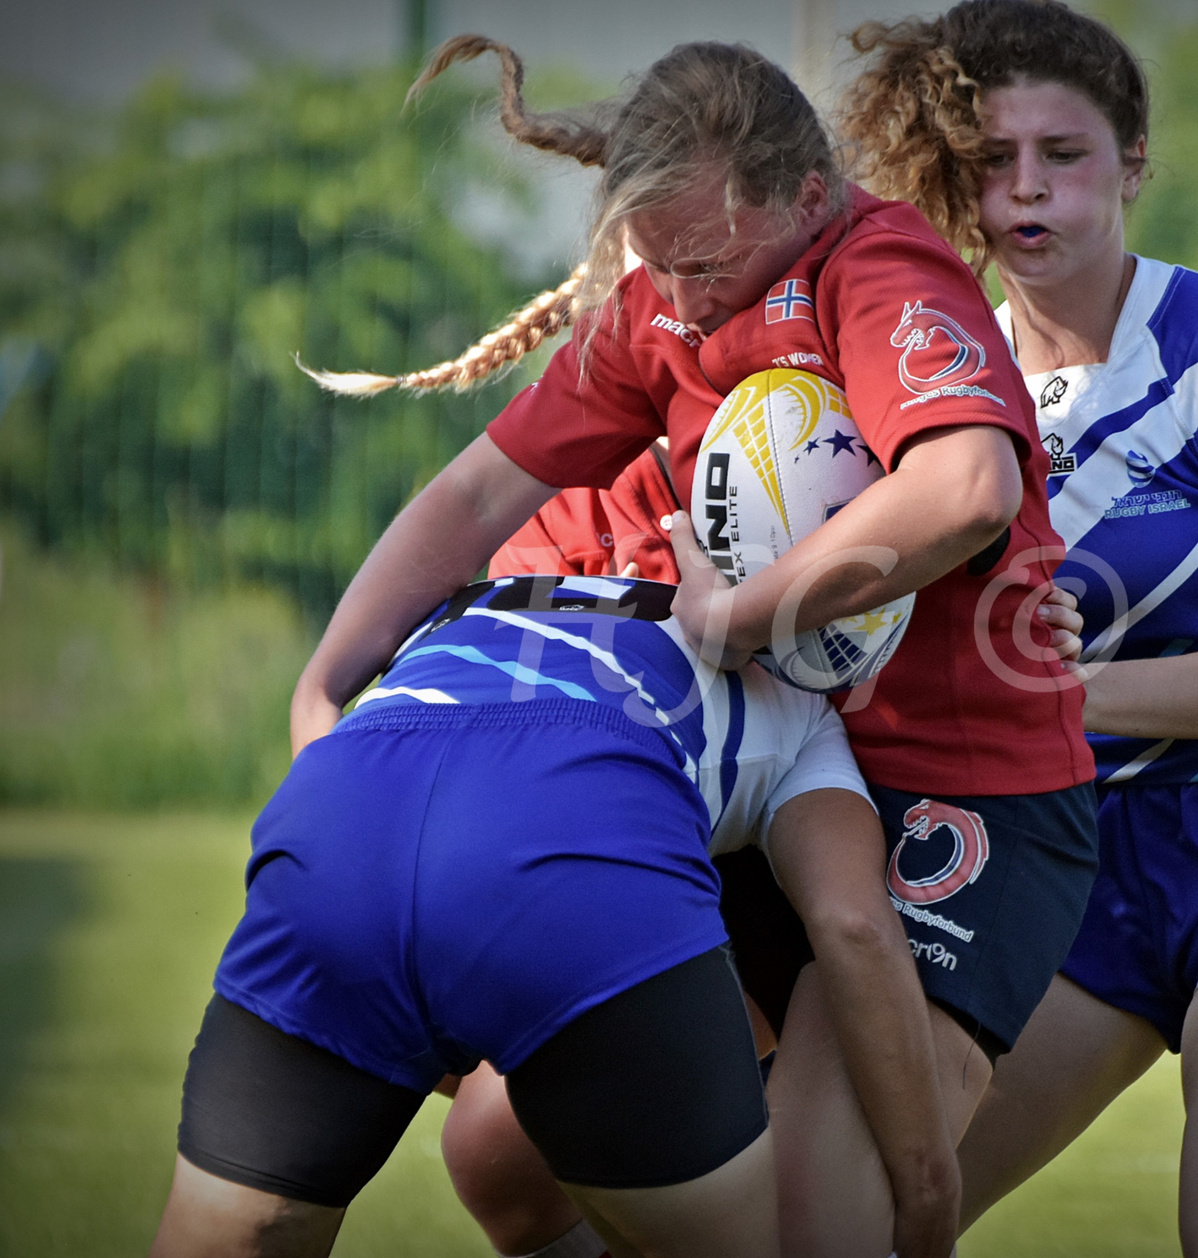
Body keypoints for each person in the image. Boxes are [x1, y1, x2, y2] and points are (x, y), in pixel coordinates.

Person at [293, 31, 1100, 1258]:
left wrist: (744, 612)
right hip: (756, 786)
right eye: (654, 264)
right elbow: (469, 501)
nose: (677, 298)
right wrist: (325, 681)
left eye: (708, 261)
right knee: (500, 1159)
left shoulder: (876, 269)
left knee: (819, 1222)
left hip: (958, 790)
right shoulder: (652, 315)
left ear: (807, 197)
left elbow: (967, 488)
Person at [838, 4, 1198, 1254]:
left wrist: (1064, 694)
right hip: (1061, 861)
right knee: (864, 1221)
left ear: (1133, 163)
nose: (1026, 191)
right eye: (993, 161)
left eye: (1065, 154)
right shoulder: (939, 382)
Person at [148, 568, 953, 1258]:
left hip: (338, 824)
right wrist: (927, 1192)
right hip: (582, 863)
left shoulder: (483, 598)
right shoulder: (806, 708)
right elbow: (853, 925)